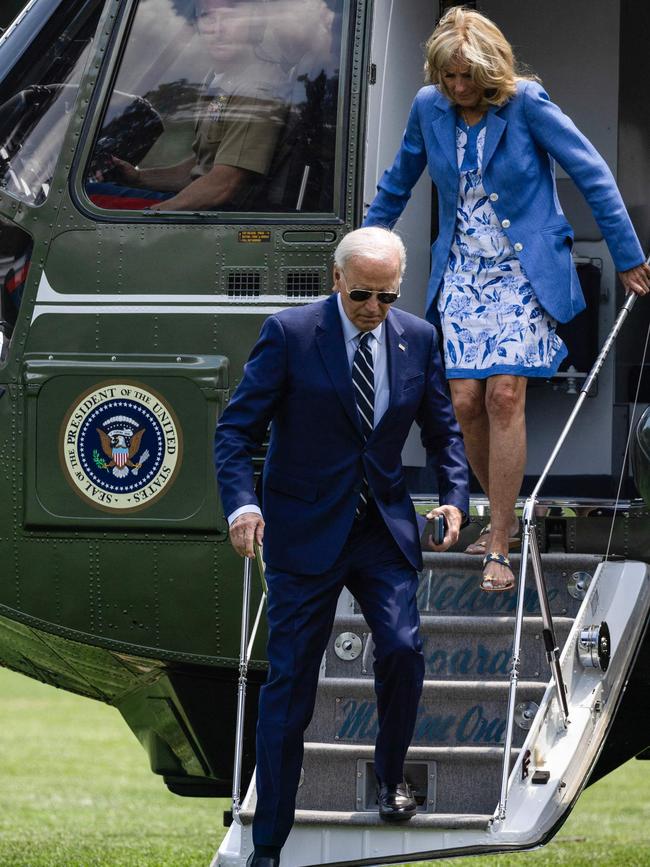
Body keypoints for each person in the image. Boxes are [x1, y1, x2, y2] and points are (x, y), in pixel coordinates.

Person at [364, 6, 650, 592]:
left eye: (467, 76)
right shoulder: (428, 108)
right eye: (448, 77)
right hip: (463, 273)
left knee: (502, 395)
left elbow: (593, 173)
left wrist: (627, 254)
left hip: (524, 273)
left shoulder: (527, 102)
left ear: (490, 69)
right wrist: (360, 259)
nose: (458, 87)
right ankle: (503, 514)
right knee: (464, 400)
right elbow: (398, 183)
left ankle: (499, 538)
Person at [214, 226, 469, 867]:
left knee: (404, 649)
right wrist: (244, 506)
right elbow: (236, 432)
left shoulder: (419, 337)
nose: (375, 310)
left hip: (381, 528)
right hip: (303, 532)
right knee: (291, 687)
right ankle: (267, 843)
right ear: (336, 280)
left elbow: (444, 433)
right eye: (362, 296)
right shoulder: (290, 334)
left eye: (387, 297)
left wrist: (453, 499)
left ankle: (390, 776)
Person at [91, 0, 289, 211]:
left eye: (230, 17)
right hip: (207, 207)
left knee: (91, 197)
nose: (217, 29)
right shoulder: (220, 80)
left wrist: (152, 215)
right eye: (207, 17)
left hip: (222, 219)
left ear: (254, 25)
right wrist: (138, 178)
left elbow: (224, 184)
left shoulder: (256, 90)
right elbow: (202, 168)